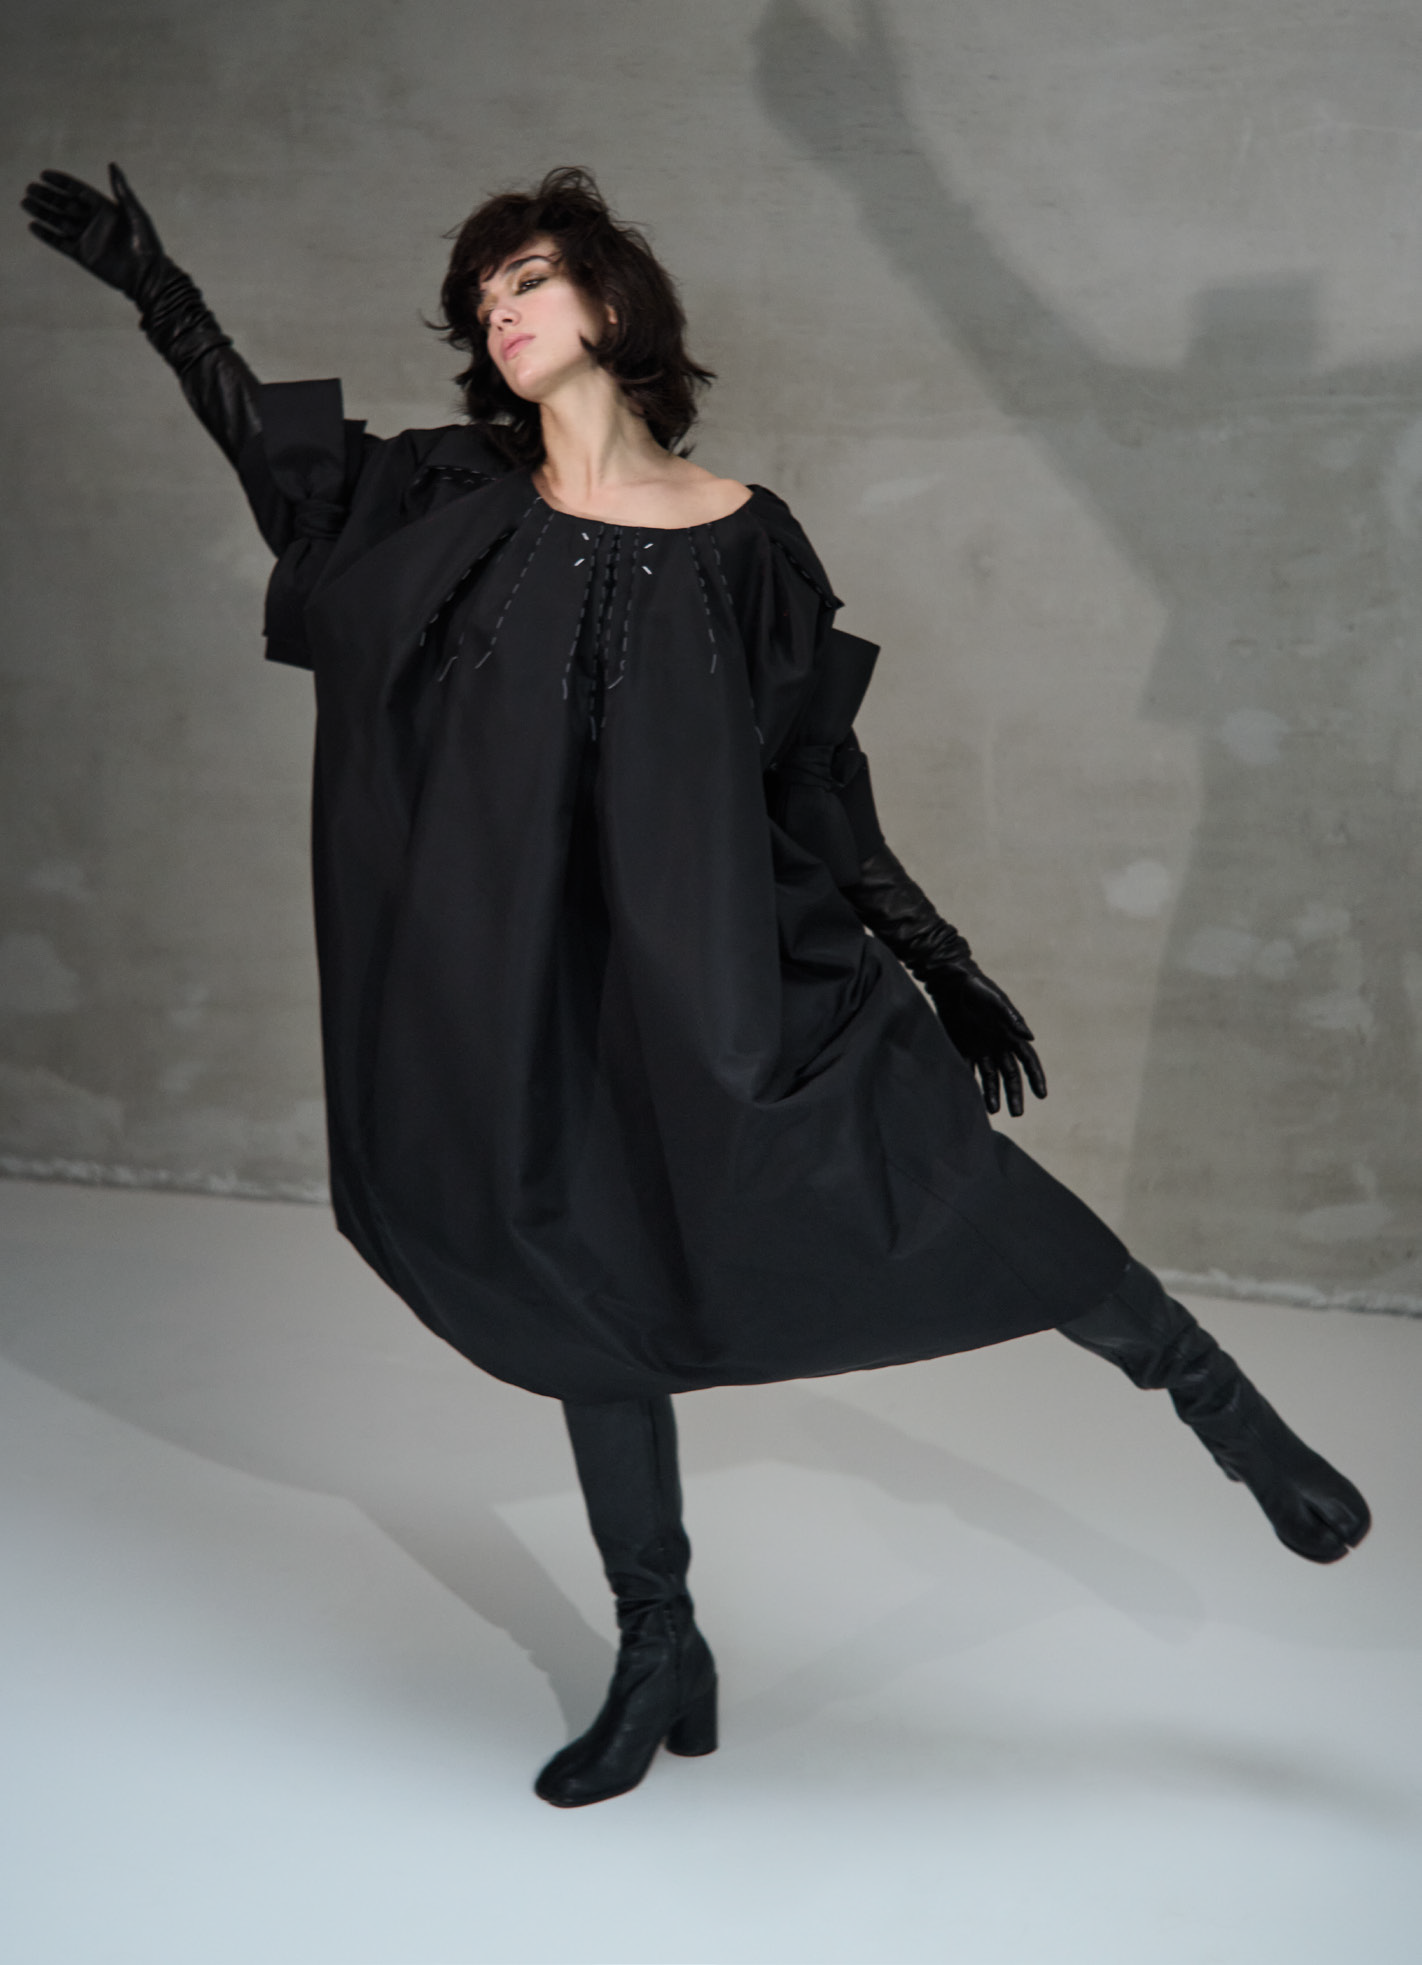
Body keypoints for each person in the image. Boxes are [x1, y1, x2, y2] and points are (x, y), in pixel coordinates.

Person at [21, 163, 1370, 1809]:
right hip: (526, 980)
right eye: (480, 301)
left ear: (610, 304)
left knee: (942, 1181)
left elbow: (812, 782)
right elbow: (280, 470)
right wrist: (158, 290)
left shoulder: (746, 542)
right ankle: (657, 1640)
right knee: (577, 1264)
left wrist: (939, 961)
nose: (497, 314)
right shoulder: (446, 494)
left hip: (715, 963)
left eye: (524, 280)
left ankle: (1233, 1423)